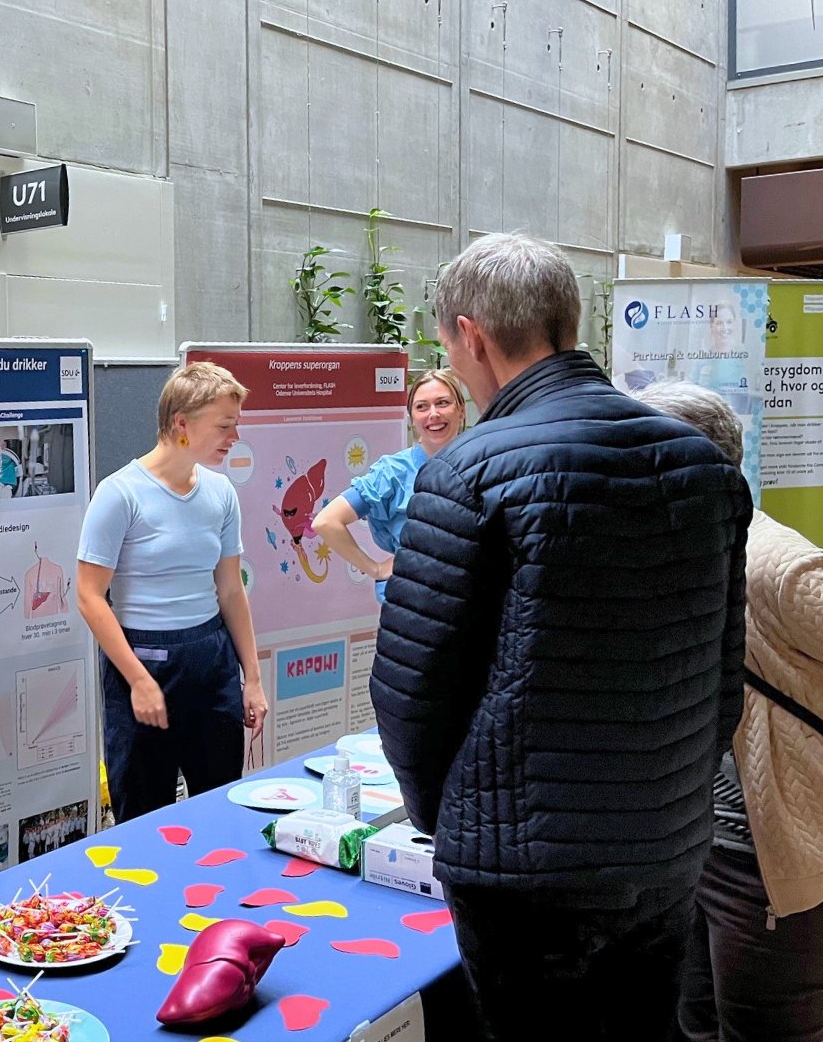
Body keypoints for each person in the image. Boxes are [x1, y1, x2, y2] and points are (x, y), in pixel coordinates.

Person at [368, 233, 753, 1041]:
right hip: (668, 842)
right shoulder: (703, 466)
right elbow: (724, 672)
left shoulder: (467, 472)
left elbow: (412, 687)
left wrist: (451, 816)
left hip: (523, 867)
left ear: (471, 337)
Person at [638, 379, 823, 1042]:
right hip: (694, 850)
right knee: (695, 1025)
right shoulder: (679, 547)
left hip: (766, 863)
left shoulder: (774, 562)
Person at [77, 361, 268, 824]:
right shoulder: (120, 494)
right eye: (225, 425)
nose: (234, 436)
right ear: (182, 423)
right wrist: (139, 680)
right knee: (143, 811)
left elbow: (229, 591)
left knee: (220, 806)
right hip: (142, 660)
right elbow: (89, 596)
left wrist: (253, 679)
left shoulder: (221, 493)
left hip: (210, 658)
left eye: (236, 424)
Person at [312, 369, 466, 601]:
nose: (433, 414)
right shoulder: (391, 473)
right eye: (422, 407)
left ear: (461, 410)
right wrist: (374, 568)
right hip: (411, 604)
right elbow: (326, 521)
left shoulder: (483, 463)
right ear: (411, 417)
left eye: (442, 403)